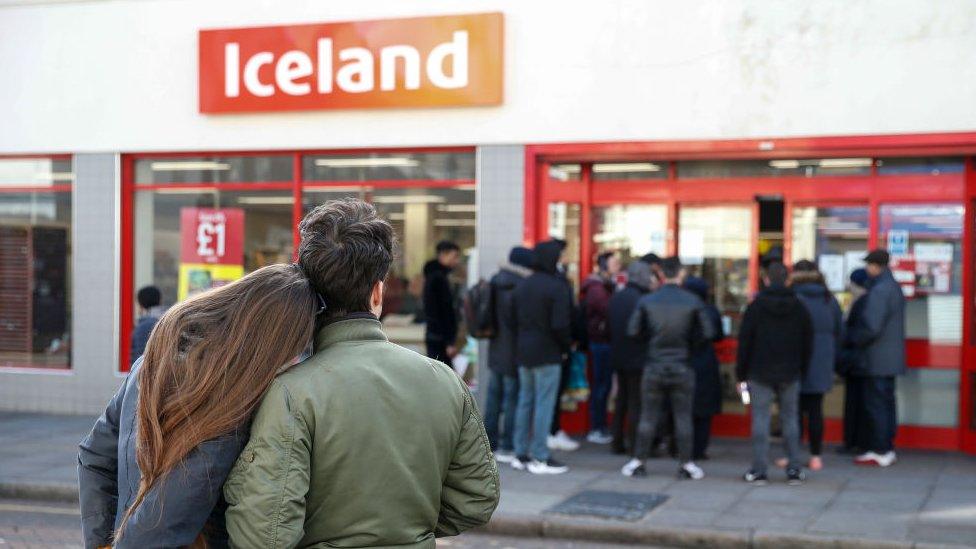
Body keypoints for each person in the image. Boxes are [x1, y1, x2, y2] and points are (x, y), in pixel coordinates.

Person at [224, 199, 499, 546]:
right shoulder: (443, 380)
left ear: (308, 294)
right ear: (377, 293)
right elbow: (476, 500)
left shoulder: (291, 393)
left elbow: (265, 535)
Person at [79, 264, 319, 548]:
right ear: (270, 344)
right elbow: (157, 530)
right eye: (295, 347)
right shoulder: (226, 407)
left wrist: (102, 543)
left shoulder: (150, 364)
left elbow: (94, 456)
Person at [621, 256, 714, 480]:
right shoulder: (692, 301)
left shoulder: (648, 300)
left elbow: (632, 331)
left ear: (661, 274)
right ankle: (686, 463)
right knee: (683, 416)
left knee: (648, 415)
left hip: (655, 364)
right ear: (681, 274)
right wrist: (690, 345)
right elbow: (709, 332)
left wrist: (650, 342)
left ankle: (639, 461)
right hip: (682, 365)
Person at [736, 262, 813, 486]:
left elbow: (745, 342)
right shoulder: (799, 307)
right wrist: (802, 369)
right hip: (790, 371)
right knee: (791, 420)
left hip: (760, 371)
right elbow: (808, 342)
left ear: (766, 280)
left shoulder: (756, 307)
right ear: (788, 280)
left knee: (760, 419)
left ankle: (759, 470)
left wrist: (741, 373)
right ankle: (794, 470)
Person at [511, 239, 574, 474]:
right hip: (548, 351)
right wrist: (566, 347)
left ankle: (521, 453)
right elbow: (560, 325)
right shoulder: (556, 287)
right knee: (544, 403)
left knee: (525, 401)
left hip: (523, 350)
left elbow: (512, 319)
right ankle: (540, 455)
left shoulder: (523, 286)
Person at [788, 260, 843, 472]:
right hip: (821, 361)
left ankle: (792, 454)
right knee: (815, 410)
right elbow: (840, 331)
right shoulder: (829, 299)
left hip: (796, 359)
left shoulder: (792, 297)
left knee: (793, 411)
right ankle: (816, 456)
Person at [854, 249, 906, 467]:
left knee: (876, 405)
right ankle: (887, 448)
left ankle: (880, 449)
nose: (867, 269)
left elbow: (871, 327)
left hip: (877, 358)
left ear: (875, 266)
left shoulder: (880, 290)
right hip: (890, 359)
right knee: (886, 403)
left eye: (869, 265)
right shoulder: (893, 287)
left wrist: (856, 340)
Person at [485, 246, 534, 464]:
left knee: (493, 397)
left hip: (496, 346)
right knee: (512, 397)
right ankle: (507, 444)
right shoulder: (523, 286)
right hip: (515, 348)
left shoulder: (494, 281)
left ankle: (488, 442)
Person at [608, 261, 654, 455]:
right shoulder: (643, 299)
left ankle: (617, 441)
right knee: (636, 401)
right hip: (638, 356)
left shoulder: (617, 297)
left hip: (619, 355)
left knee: (622, 400)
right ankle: (635, 444)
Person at [683, 276, 725, 461]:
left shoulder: (681, 310)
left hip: (684, 361)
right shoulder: (710, 311)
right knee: (704, 410)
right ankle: (699, 449)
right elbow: (718, 335)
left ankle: (682, 447)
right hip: (706, 362)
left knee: (683, 408)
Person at [582, 251, 621, 444]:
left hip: (605, 342)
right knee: (600, 386)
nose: (618, 266)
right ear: (604, 266)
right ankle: (597, 427)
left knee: (603, 386)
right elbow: (609, 310)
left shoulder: (606, 286)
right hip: (600, 343)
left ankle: (600, 426)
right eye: (614, 262)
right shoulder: (597, 288)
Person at [837, 268, 872, 454]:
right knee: (858, 403)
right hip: (860, 362)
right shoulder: (865, 301)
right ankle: (855, 441)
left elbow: (852, 332)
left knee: (854, 403)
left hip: (856, 362)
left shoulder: (860, 303)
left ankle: (853, 441)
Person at [423, 240, 462, 363]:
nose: (456, 261)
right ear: (443, 255)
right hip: (439, 339)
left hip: (435, 336)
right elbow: (443, 311)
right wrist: (449, 342)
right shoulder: (438, 279)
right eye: (454, 256)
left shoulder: (435, 276)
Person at [129, 285, 163, 363]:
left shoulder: (143, 327)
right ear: (160, 300)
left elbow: (139, 359)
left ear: (140, 304)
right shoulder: (170, 320)